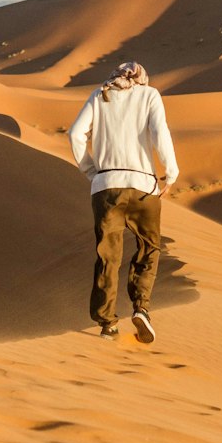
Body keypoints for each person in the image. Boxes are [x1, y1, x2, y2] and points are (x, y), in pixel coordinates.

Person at [68, 60, 178, 344]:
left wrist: (91, 171)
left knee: (108, 256)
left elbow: (75, 134)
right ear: (142, 77)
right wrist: (172, 171)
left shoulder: (99, 95)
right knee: (149, 247)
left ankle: (107, 324)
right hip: (144, 187)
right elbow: (160, 133)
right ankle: (141, 308)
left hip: (107, 188)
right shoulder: (149, 94)